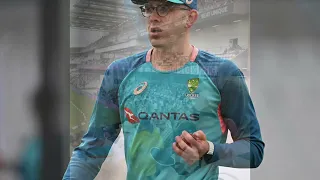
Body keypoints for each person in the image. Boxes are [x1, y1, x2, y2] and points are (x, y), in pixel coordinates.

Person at [63, 0, 265, 179]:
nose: (153, 18)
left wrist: (210, 150)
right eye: (149, 8)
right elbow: (92, 149)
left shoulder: (223, 74)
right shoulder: (120, 73)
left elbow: (253, 151)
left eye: (164, 8)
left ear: (190, 18)